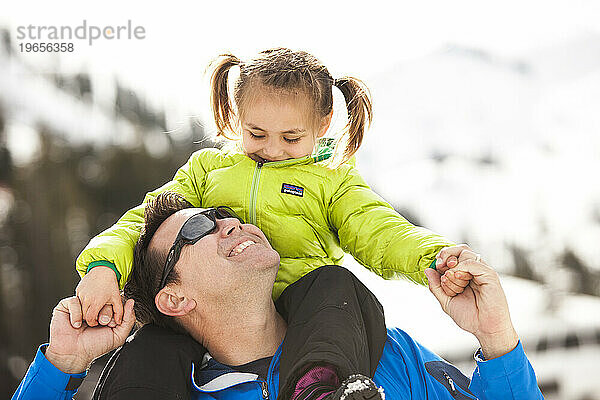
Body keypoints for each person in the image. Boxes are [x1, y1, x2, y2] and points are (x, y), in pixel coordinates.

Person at [74, 48, 473, 399]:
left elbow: (379, 229)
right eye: (257, 133)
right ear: (236, 116)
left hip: (301, 316)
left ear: (323, 123)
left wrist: (435, 258)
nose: (273, 150)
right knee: (153, 344)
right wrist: (103, 268)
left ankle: (315, 389)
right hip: (221, 318)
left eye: (291, 138)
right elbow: (143, 225)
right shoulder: (210, 170)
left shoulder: (331, 179)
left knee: (335, 288)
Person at [13, 193, 543, 400]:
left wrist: (496, 340)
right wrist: (60, 365)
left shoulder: (385, 354)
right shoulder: (181, 392)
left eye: (228, 214)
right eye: (199, 226)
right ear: (173, 299)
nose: (229, 224)